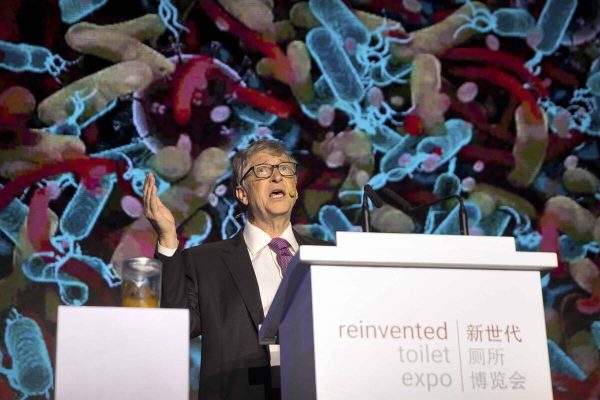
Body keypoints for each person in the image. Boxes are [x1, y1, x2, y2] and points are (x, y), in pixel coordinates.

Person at [143, 139, 328, 400]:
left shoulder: (331, 256)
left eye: (285, 169)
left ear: (295, 188)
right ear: (242, 194)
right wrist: (167, 238)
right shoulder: (205, 262)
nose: (277, 176)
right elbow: (177, 326)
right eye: (263, 170)